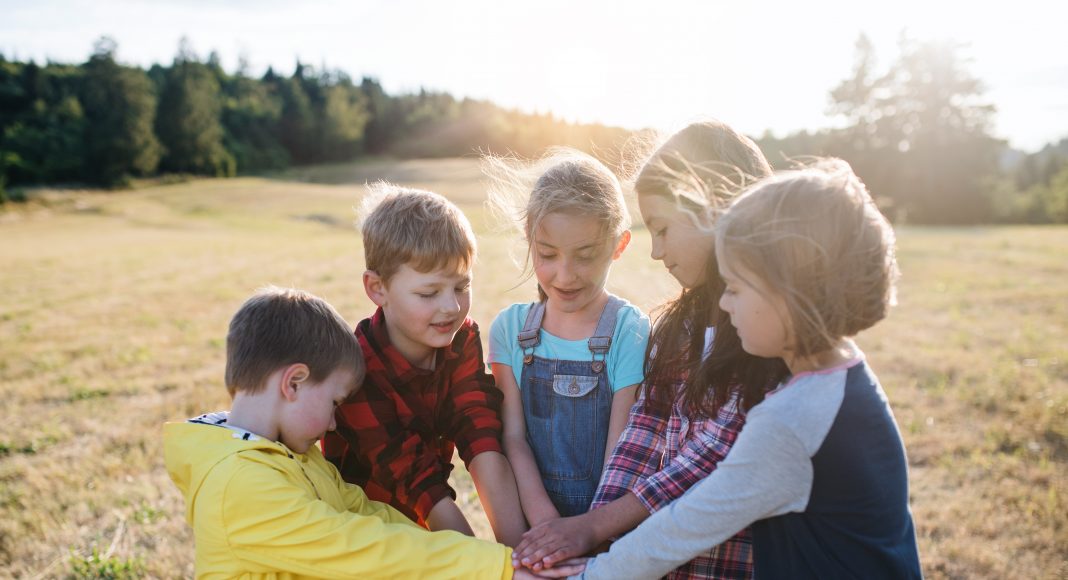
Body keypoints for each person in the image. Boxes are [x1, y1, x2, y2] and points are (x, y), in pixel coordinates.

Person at [574, 160, 922, 579]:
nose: (724, 303)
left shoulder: (791, 421)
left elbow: (683, 529)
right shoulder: (842, 377)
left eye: (735, 288)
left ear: (791, 293)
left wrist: (586, 576)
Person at [514, 120, 788, 579]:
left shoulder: (767, 330)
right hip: (670, 562)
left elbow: (713, 454)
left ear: (715, 210)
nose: (657, 252)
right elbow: (643, 431)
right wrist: (593, 537)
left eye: (662, 229)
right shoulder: (680, 329)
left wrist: (595, 526)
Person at [164, 286, 566, 578]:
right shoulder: (239, 484)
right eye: (334, 403)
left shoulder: (288, 455)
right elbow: (362, 548)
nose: (333, 423)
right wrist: (495, 569)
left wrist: (473, 556)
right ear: (294, 383)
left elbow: (368, 514)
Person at [322, 184, 526, 546]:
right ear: (377, 288)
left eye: (461, 287)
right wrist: (482, 564)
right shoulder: (355, 370)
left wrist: (520, 550)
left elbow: (479, 433)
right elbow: (417, 481)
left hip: (422, 526)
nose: (451, 307)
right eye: (429, 293)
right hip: (364, 535)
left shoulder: (460, 339)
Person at [484, 150, 650, 525]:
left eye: (585, 255)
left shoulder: (629, 330)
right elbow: (514, 439)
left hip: (605, 522)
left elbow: (620, 454)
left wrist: (587, 531)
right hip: (534, 523)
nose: (565, 275)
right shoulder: (510, 329)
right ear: (529, 240)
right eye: (547, 254)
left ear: (619, 245)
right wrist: (545, 521)